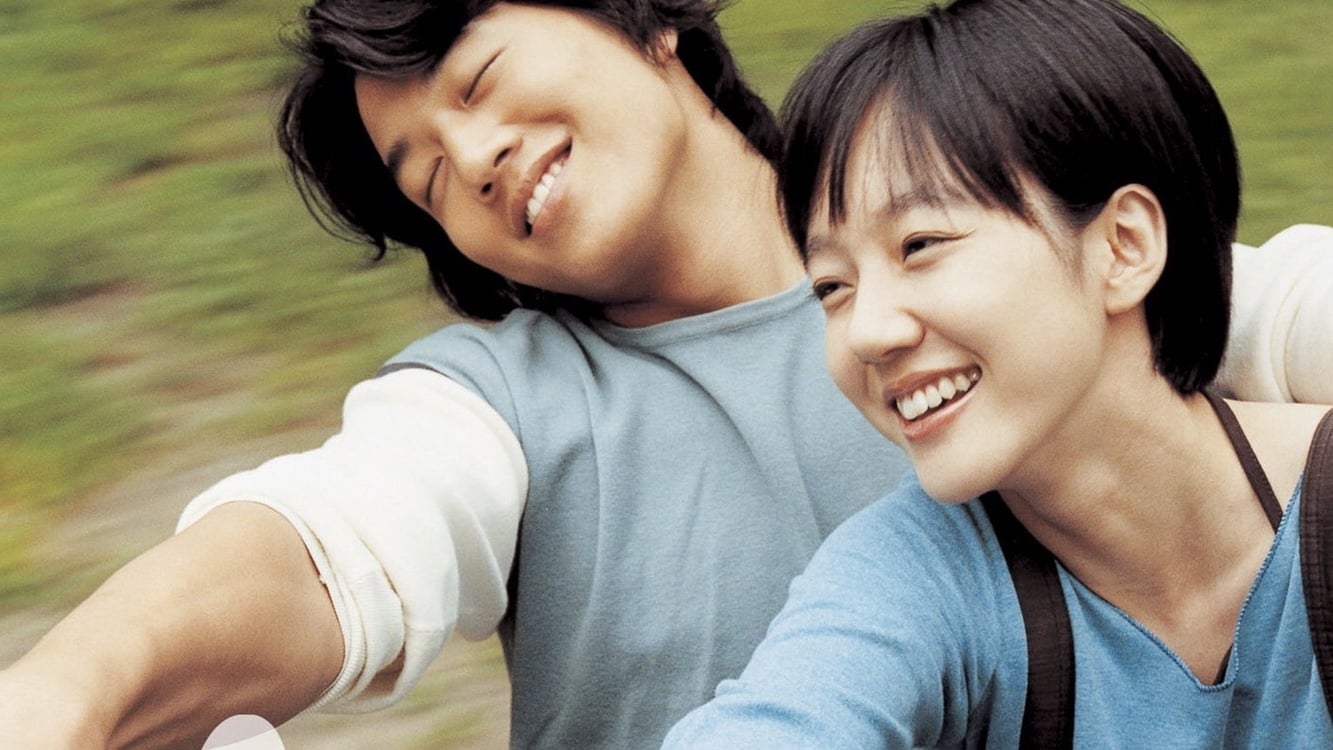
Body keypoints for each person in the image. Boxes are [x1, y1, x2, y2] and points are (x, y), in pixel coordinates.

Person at [0, 0, 1330, 748]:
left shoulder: (994, 246)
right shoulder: (500, 406)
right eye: (425, 178)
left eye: (480, 80)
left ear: (647, 24)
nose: (472, 159)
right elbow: (323, 547)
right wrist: (55, 697)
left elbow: (1235, 307)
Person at [663, 0, 1333, 746]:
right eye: (831, 287)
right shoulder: (916, 571)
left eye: (920, 245)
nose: (868, 333)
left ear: (1123, 245)